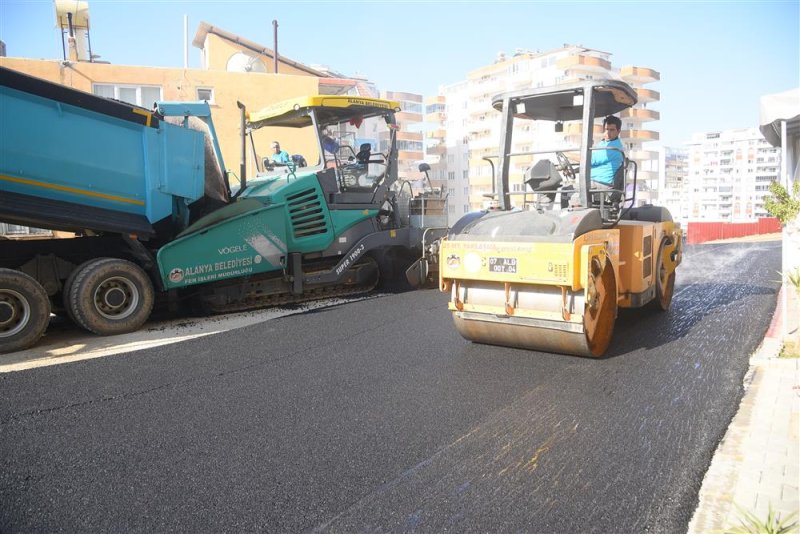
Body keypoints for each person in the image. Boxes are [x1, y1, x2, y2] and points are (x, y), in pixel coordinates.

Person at [590, 115, 624, 187]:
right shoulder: (603, 143)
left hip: (601, 184)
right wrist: (574, 170)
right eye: (606, 129)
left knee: (565, 190)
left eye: (611, 130)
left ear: (618, 131)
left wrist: (569, 155)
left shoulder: (614, 147)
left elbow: (590, 160)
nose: (608, 133)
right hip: (592, 181)